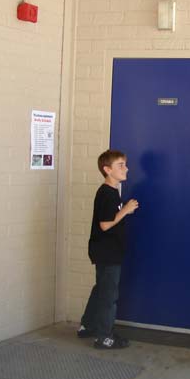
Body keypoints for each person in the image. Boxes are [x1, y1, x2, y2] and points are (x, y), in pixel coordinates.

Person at [77, 149, 139, 349]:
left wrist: (123, 211)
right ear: (107, 170)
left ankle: (88, 325)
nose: (126, 169)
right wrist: (126, 210)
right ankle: (104, 337)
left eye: (125, 164)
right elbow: (105, 224)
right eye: (121, 165)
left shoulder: (112, 193)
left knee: (101, 289)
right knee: (108, 295)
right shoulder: (107, 194)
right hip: (107, 252)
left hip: (107, 251)